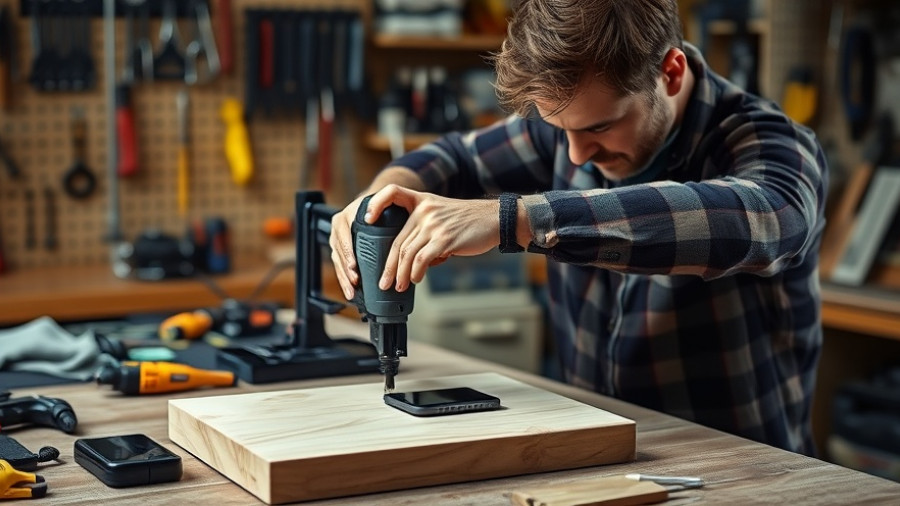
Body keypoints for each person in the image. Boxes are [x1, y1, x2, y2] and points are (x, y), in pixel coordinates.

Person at [329, 0, 827, 456]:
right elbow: (452, 158)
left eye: (599, 127)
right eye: (559, 130)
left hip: (739, 465)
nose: (574, 154)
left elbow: (767, 220)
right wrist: (381, 201)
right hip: (595, 451)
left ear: (671, 73)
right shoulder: (570, 122)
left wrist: (514, 219)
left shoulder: (770, 141)